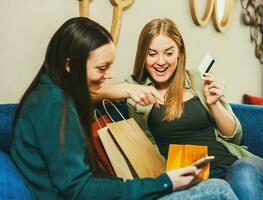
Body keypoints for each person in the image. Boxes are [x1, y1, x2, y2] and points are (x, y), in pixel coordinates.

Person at [10, 17, 239, 200]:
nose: (108, 76)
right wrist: (165, 182)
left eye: (110, 67)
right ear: (69, 65)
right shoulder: (54, 107)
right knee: (218, 189)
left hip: (216, 164)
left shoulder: (53, 95)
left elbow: (83, 183)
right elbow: (80, 191)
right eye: (102, 68)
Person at [97, 18, 263, 200]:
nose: (161, 61)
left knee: (243, 173)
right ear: (143, 55)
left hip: (237, 165)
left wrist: (214, 104)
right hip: (197, 181)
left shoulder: (196, 79)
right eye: (152, 53)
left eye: (169, 53)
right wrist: (130, 89)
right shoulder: (136, 87)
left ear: (179, 53)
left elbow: (235, 136)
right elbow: (87, 91)